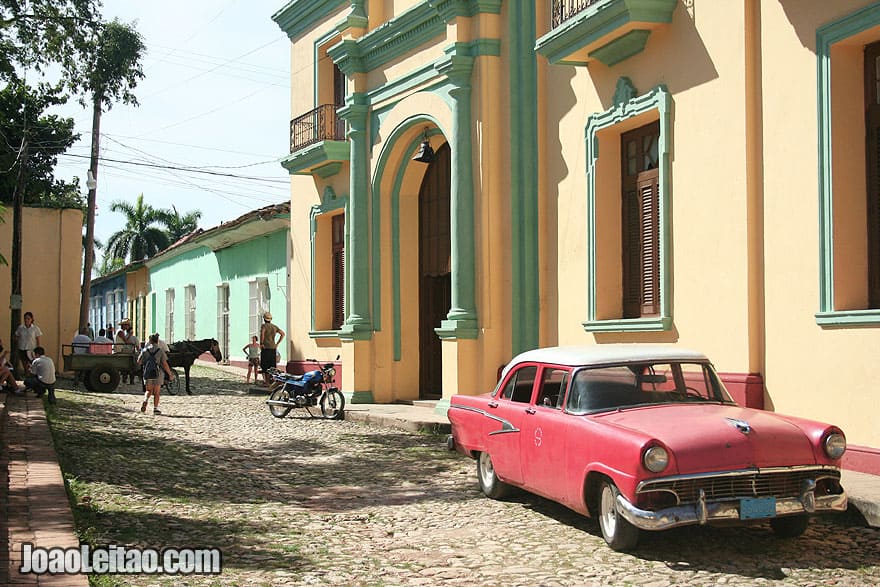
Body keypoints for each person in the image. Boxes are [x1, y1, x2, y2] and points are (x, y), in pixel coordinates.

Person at [137, 333, 174, 415]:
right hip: (158, 373)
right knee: (156, 392)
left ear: (150, 341)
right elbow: (164, 363)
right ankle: (155, 408)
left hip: (147, 372)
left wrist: (146, 362)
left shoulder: (145, 350)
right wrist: (170, 374)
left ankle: (145, 400)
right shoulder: (160, 350)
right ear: (157, 341)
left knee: (148, 390)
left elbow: (138, 362)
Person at [259, 312, 284, 386]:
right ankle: (273, 381)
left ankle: (266, 382)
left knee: (265, 365)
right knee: (272, 365)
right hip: (273, 347)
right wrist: (277, 343)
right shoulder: (274, 327)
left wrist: (261, 343)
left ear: (264, 319)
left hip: (266, 347)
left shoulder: (264, 326)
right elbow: (282, 334)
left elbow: (262, 334)